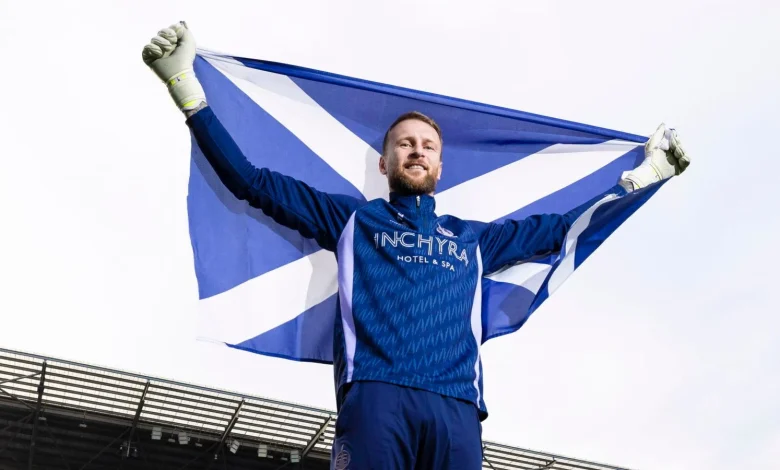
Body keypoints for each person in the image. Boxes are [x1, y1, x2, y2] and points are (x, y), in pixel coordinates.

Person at [142, 22, 690, 470]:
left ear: (440, 165)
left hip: (457, 409)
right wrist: (187, 91)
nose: (416, 150)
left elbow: (562, 227)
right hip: (378, 399)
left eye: (427, 145)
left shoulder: (473, 239)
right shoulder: (351, 219)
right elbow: (251, 181)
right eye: (404, 143)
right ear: (384, 163)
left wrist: (640, 182)